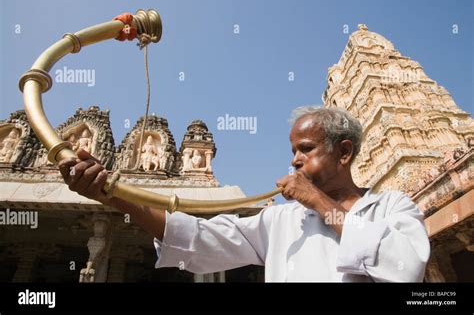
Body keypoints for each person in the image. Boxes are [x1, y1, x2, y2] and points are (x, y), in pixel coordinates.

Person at [58, 106, 430, 282]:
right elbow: (198, 240)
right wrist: (114, 195)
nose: (295, 162)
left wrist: (316, 200)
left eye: (306, 150)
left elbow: (406, 267)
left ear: (344, 152)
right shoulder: (281, 220)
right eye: (292, 153)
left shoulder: (391, 207)